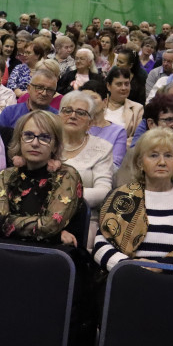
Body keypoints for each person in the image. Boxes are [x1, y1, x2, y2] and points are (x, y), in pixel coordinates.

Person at [94, 126, 173, 271]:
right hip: (127, 277)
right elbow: (100, 245)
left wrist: (163, 267)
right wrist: (130, 267)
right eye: (154, 155)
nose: (162, 162)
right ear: (140, 163)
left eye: (168, 155)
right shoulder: (121, 197)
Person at [0, 109, 82, 244]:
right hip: (6, 250)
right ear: (20, 139)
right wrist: (54, 237)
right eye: (28, 135)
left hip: (49, 255)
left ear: (55, 145)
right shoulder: (7, 175)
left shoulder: (66, 175)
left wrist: (0, 224)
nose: (35, 143)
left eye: (44, 138)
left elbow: (50, 225)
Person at [117, 94, 173, 207]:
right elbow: (121, 192)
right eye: (169, 120)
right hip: (140, 216)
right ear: (151, 124)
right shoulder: (135, 154)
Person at [59, 91, 114, 241]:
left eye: (81, 113)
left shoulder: (102, 148)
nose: (73, 116)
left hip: (84, 219)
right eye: (67, 110)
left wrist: (63, 198)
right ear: (59, 116)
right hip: (43, 216)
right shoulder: (47, 143)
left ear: (90, 123)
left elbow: (103, 191)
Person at [0, 65, 59, 129]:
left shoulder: (57, 119)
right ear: (28, 88)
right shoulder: (10, 112)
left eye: (50, 90)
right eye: (39, 88)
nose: (44, 93)